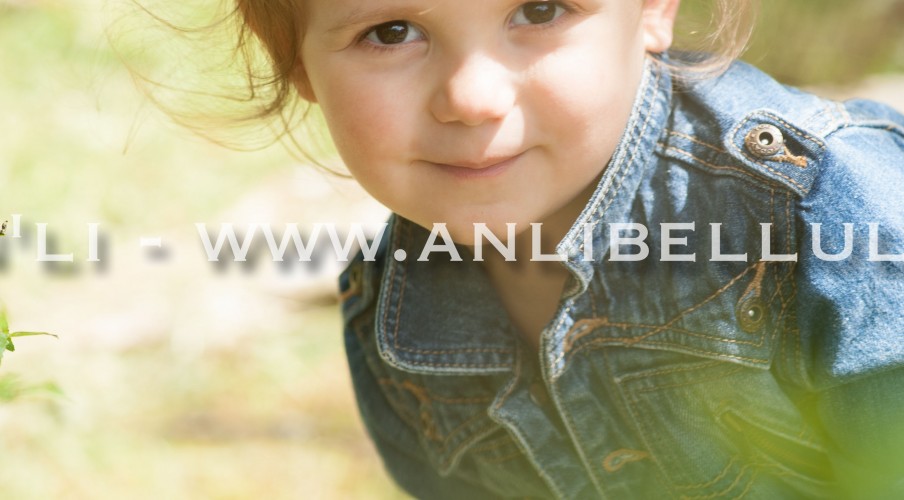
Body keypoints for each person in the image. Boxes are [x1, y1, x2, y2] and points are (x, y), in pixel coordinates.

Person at [165, 0, 904, 497]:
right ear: (296, 63)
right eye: (390, 32)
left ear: (652, 7)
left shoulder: (827, 210)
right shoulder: (394, 314)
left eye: (541, 10)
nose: (471, 97)